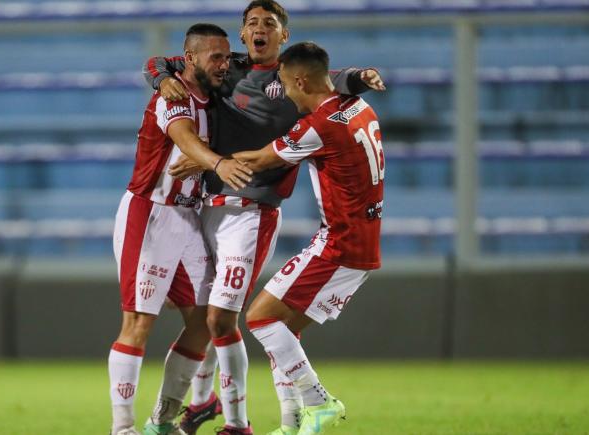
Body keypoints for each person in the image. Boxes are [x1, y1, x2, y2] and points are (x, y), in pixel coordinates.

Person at [143, 2, 385, 434]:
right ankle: (263, 416)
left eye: (269, 24)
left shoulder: (298, 91)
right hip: (206, 209)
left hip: (254, 212)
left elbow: (325, 85)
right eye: (252, 23)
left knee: (233, 318)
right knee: (217, 320)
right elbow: (162, 63)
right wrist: (161, 78)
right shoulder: (225, 67)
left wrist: (208, 162)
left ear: (283, 36)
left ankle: (240, 423)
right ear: (241, 34)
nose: (259, 29)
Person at [109, 23, 253, 435]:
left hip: (188, 217)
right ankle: (122, 428)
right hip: (150, 214)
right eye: (216, 57)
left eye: (227, 56)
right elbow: (183, 137)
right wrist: (217, 162)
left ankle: (164, 419)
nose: (225, 64)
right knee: (138, 323)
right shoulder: (171, 95)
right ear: (190, 59)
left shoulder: (216, 92)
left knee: (207, 319)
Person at [235, 41, 384, 435]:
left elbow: (263, 159)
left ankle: (320, 402)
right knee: (284, 329)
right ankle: (291, 423)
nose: (283, 91)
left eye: (284, 83)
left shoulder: (317, 127)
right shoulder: (359, 107)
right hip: (361, 241)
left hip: (339, 244)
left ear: (300, 79)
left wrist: (205, 162)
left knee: (260, 317)